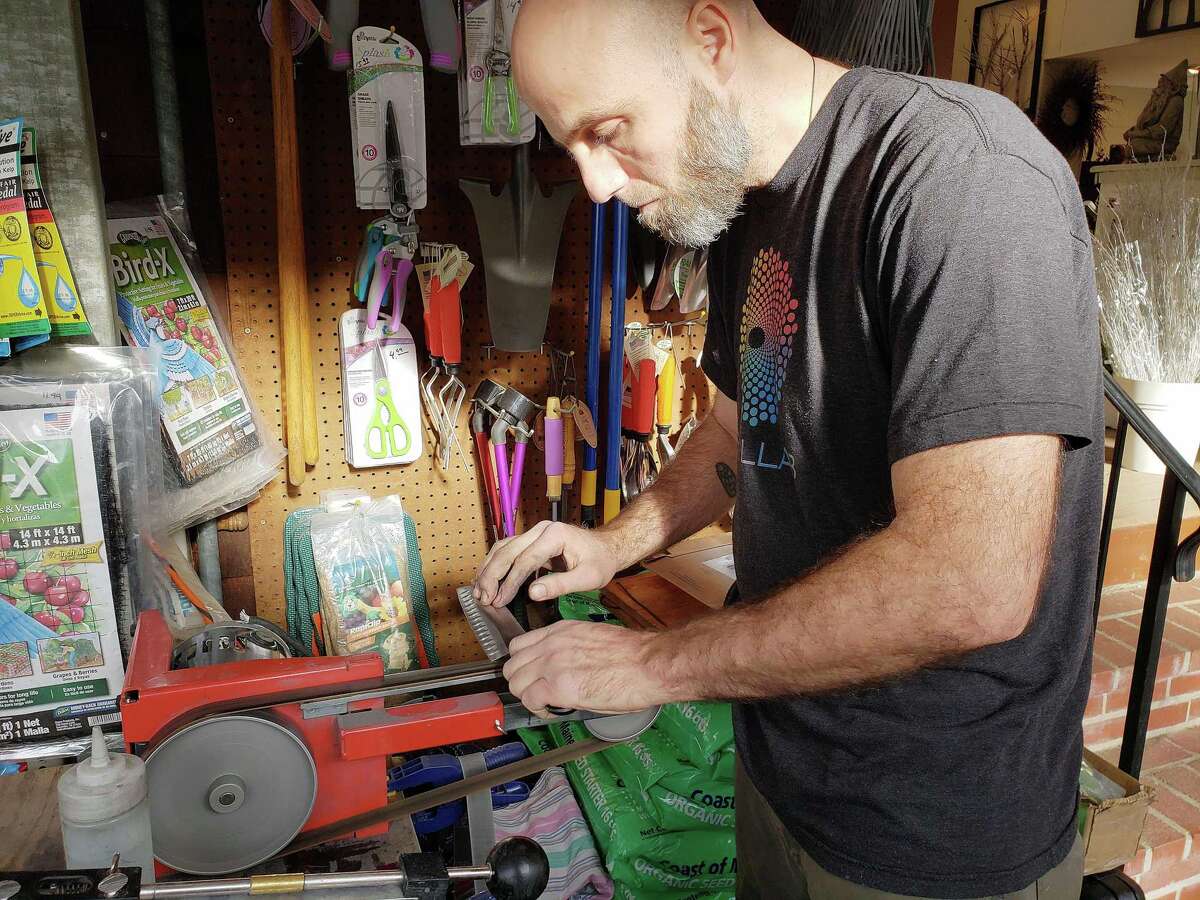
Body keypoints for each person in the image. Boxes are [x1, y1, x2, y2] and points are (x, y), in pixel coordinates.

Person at [473, 2, 1102, 897]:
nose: (599, 187)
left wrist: (654, 663)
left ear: (713, 38)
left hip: (929, 837)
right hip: (782, 768)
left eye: (608, 133)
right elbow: (738, 429)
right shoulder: (741, 198)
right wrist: (616, 543)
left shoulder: (963, 179)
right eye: (571, 149)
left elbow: (972, 583)